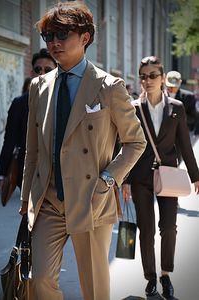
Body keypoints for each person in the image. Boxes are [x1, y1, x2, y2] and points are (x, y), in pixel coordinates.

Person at [20, 2, 146, 299]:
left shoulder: (110, 87)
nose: (54, 42)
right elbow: (32, 150)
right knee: (39, 281)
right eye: (48, 36)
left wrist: (108, 179)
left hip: (91, 200)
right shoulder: (38, 86)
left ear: (85, 37)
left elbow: (135, 142)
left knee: (94, 288)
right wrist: (26, 198)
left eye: (62, 34)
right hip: (48, 201)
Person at [122, 56, 199, 299]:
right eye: (143, 76)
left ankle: (165, 274)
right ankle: (150, 277)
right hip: (140, 177)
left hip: (169, 175)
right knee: (145, 230)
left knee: (168, 227)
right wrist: (123, 179)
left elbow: (185, 145)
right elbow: (124, 145)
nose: (147, 80)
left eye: (153, 75)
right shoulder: (133, 108)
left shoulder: (176, 108)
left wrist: (196, 176)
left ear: (163, 78)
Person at [0, 48, 56, 193]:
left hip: (57, 173)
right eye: (38, 69)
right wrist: (3, 173)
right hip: (27, 172)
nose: (42, 73)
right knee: (29, 214)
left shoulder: (64, 102)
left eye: (47, 70)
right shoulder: (19, 103)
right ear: (32, 74)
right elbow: (9, 139)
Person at [166, 70, 199, 135]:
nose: (172, 88)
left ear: (180, 83)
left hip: (182, 133)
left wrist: (179, 115)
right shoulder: (160, 96)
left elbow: (193, 118)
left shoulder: (188, 97)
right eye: (170, 86)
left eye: (175, 86)